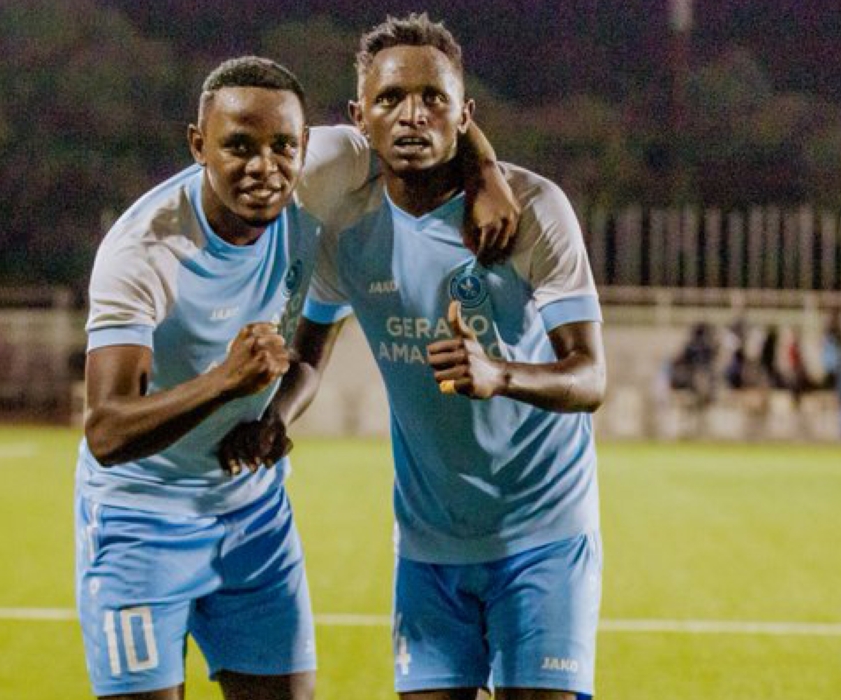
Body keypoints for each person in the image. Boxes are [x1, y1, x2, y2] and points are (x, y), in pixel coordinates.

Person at [75, 56, 515, 700]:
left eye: (283, 145)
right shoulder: (144, 252)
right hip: (142, 520)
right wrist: (225, 382)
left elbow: (430, 117)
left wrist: (488, 173)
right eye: (237, 147)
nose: (264, 166)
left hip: (252, 515)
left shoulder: (324, 171)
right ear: (198, 145)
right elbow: (106, 432)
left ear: (307, 144)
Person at [224, 15, 606, 699]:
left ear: (466, 114)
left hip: (543, 535)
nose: (412, 115)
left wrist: (500, 374)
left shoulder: (535, 210)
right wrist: (277, 415)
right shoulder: (349, 229)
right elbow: (311, 355)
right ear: (358, 118)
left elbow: (590, 375)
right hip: (428, 550)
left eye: (433, 98)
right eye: (391, 99)